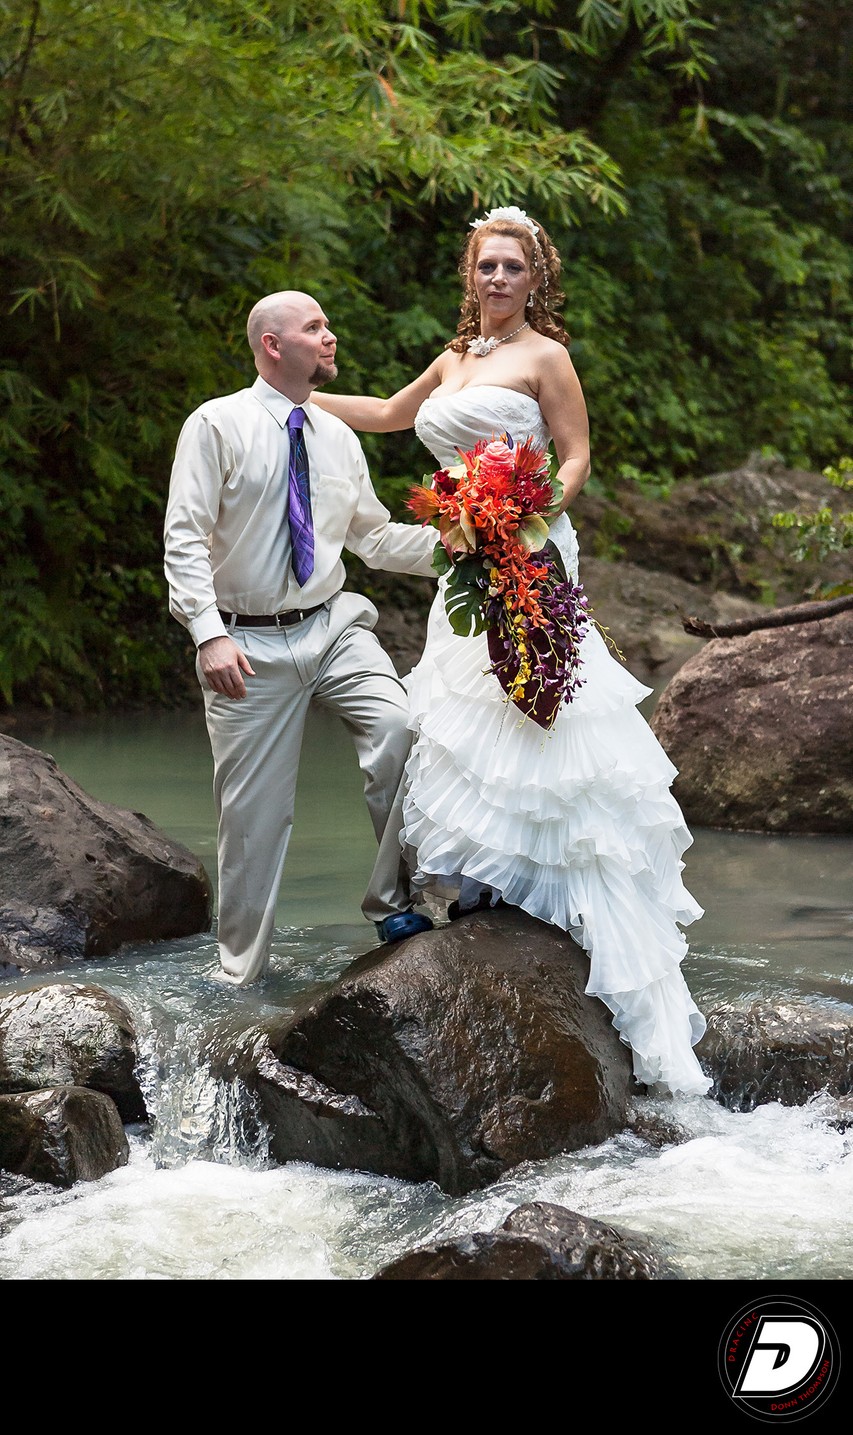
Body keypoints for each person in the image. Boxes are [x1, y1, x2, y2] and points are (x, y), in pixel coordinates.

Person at [311, 206, 712, 1097]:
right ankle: (485, 882)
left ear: (535, 279)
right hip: (465, 554)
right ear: (471, 274)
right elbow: (384, 414)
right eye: (485, 267)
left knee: (537, 699)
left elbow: (574, 455)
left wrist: (530, 516)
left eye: (512, 268)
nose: (497, 280)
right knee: (462, 707)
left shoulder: (545, 357)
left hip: (526, 548)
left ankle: (556, 890)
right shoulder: (454, 358)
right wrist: (294, 396)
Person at [163, 290, 437, 988]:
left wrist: (469, 543)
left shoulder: (337, 437)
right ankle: (239, 978)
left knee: (402, 727)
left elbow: (372, 537)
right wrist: (207, 634)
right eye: (315, 327)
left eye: (328, 323)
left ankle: (392, 903)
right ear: (272, 344)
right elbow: (184, 538)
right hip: (245, 644)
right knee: (253, 820)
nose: (330, 335)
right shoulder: (215, 424)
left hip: (334, 624)